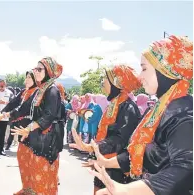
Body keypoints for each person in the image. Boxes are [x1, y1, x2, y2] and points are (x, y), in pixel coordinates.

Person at [89, 35, 193, 195]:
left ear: (165, 70)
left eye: (144, 68)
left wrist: (126, 190)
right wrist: (106, 162)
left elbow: (186, 169)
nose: (140, 77)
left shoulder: (184, 112)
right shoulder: (158, 109)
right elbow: (142, 154)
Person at [71, 64, 142, 194]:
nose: (102, 82)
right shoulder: (113, 104)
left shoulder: (128, 108)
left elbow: (120, 140)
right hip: (104, 165)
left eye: (105, 78)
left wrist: (92, 147)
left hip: (117, 170)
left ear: (117, 83)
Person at [11, 57, 64, 194]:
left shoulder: (52, 90)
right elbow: (25, 108)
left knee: (45, 180)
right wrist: (4, 116)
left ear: (48, 71)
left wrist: (28, 128)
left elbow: (48, 116)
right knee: (36, 177)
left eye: (39, 69)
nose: (36, 72)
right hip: (37, 139)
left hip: (48, 142)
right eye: (35, 69)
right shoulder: (40, 90)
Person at [0, 70, 38, 194]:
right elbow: (12, 104)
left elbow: (22, 109)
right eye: (26, 78)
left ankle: (33, 189)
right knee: (22, 159)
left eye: (30, 78)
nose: (26, 80)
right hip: (22, 131)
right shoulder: (24, 92)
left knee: (33, 163)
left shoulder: (37, 93)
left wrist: (3, 115)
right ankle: (26, 188)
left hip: (33, 131)